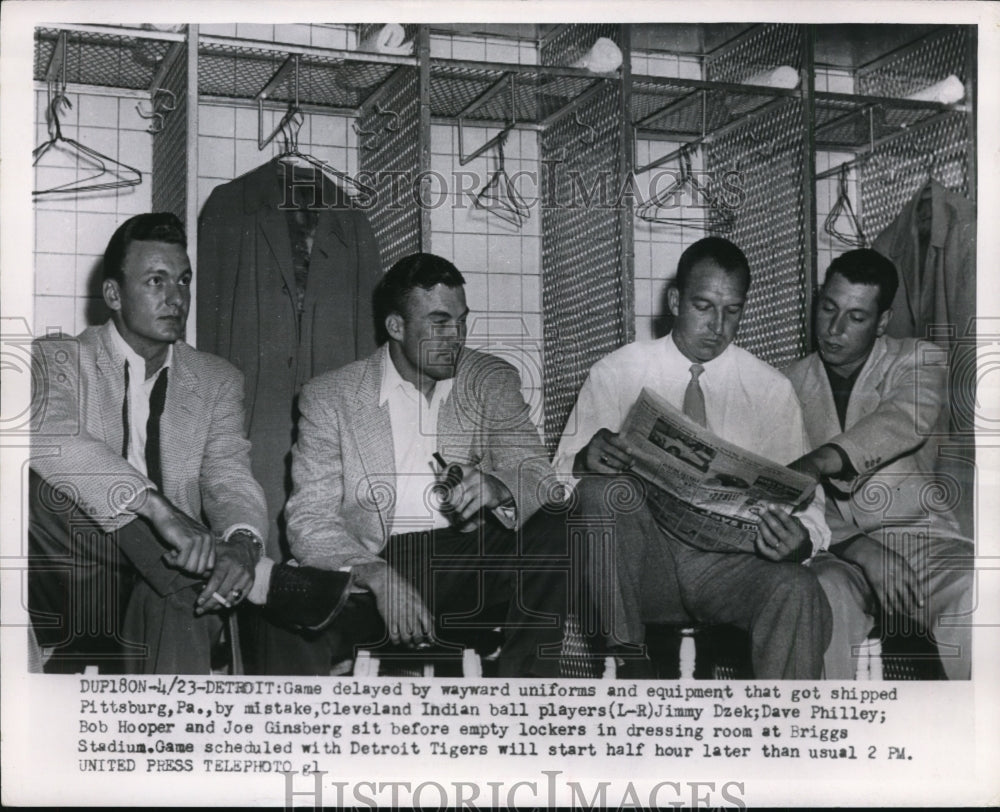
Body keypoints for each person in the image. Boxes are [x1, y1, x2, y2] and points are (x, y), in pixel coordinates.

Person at [29, 213, 352, 675]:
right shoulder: (57, 358)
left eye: (183, 281)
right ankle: (258, 581)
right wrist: (157, 511)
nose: (177, 298)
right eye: (156, 282)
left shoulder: (216, 380)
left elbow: (229, 479)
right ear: (114, 295)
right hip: (86, 584)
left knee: (184, 601)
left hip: (178, 577)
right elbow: (49, 435)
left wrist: (241, 544)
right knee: (38, 484)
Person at [553, 236, 832, 679]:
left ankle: (788, 733)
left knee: (797, 588)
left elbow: (807, 501)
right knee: (605, 493)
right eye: (703, 306)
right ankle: (630, 675)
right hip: (644, 566)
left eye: (732, 310)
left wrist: (802, 538)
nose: (717, 326)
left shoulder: (770, 388)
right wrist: (584, 460)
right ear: (676, 300)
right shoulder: (617, 371)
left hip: (729, 566)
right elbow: (558, 485)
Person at [284, 252, 569, 677]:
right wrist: (376, 574)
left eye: (461, 320)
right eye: (439, 323)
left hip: (465, 558)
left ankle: (524, 691)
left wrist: (496, 486)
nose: (455, 336)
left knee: (561, 517)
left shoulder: (490, 379)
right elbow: (309, 522)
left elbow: (539, 477)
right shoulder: (332, 397)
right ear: (395, 326)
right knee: (289, 600)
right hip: (380, 557)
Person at [785, 249, 973, 679]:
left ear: (883, 321)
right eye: (828, 308)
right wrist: (860, 549)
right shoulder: (786, 384)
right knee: (815, 598)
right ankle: (827, 737)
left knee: (977, 591)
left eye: (856, 317)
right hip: (834, 548)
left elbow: (903, 420)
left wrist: (819, 459)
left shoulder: (918, 359)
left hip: (921, 540)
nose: (833, 330)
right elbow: (794, 503)